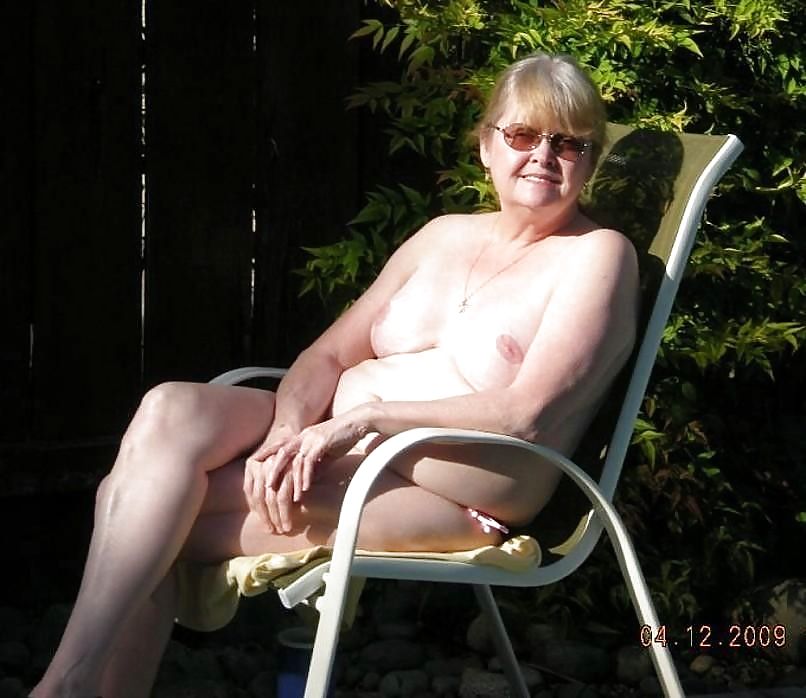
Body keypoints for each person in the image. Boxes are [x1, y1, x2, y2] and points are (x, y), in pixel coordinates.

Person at [31, 52, 639, 698]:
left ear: (589, 163)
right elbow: (324, 357)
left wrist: (365, 420)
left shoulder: (597, 256)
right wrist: (285, 432)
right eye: (522, 134)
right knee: (168, 410)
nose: (543, 155)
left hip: (452, 496)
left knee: (143, 515)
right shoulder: (442, 236)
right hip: (341, 446)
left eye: (569, 143)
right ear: (487, 145)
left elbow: (526, 414)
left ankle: (66, 685)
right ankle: (70, 683)